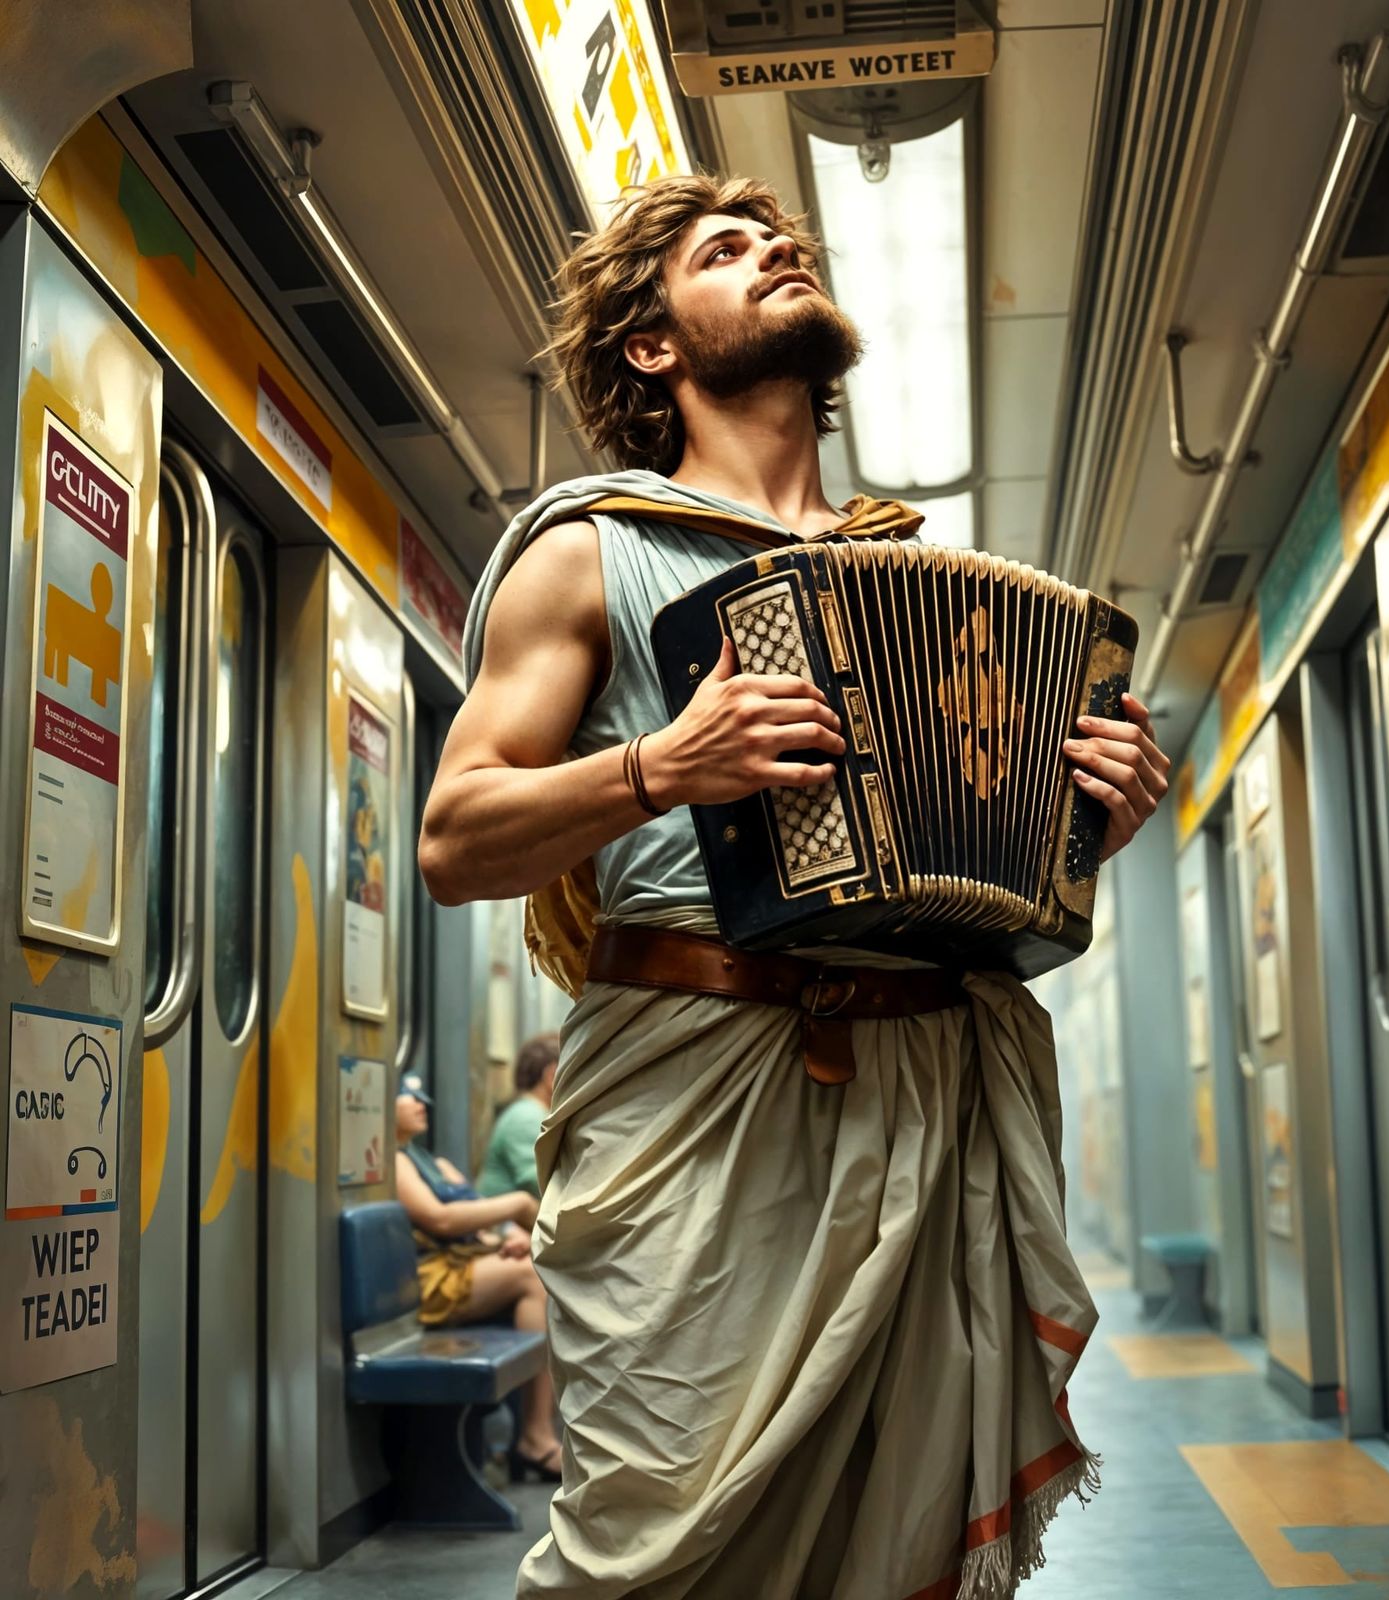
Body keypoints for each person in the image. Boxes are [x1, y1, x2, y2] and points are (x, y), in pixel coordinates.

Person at [419, 174, 1171, 1599]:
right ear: (654, 346)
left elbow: (992, 892)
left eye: (786, 242)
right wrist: (661, 765)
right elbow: (457, 839)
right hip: (695, 1094)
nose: (778, 251)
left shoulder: (927, 583)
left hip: (927, 1093)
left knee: (896, 1550)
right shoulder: (592, 552)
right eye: (728, 250)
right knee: (658, 1541)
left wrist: (1089, 825)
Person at [392, 1073, 563, 1479]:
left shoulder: (433, 1162)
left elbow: (477, 1225)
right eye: (406, 1096)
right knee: (532, 1277)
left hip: (460, 1265)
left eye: (422, 1096)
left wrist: (507, 1240)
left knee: (536, 1266)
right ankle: (535, 1436)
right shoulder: (394, 1162)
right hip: (431, 1279)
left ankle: (539, 1431)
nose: (421, 1103)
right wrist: (518, 1207)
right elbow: (441, 1219)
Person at [479, 1033, 559, 1201]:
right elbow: (540, 1182)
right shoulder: (526, 1116)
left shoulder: (533, 1112)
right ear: (551, 1075)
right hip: (501, 1224)